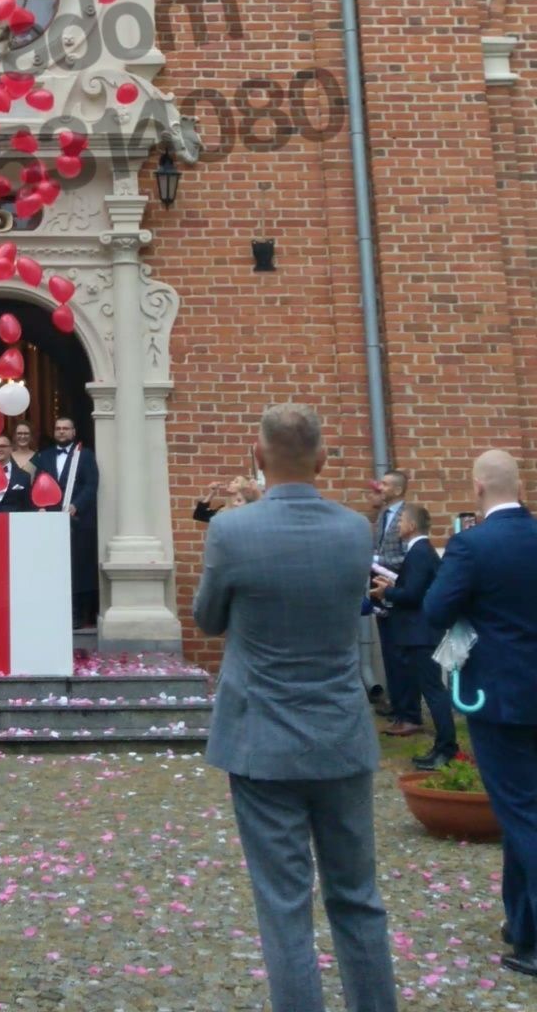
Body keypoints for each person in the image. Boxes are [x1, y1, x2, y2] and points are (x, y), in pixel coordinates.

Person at [193, 403, 398, 1012]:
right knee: (357, 896)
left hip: (261, 735)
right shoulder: (354, 529)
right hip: (339, 730)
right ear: (324, 458)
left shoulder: (232, 530)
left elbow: (206, 619)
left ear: (258, 457)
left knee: (284, 907)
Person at [424, 449, 537, 979]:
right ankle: (522, 924)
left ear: (476, 488)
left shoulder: (472, 544)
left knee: (522, 813)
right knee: (523, 814)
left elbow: (436, 609)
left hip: (500, 697)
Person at [370, 503, 457, 768]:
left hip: (421, 633)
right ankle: (443, 746)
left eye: (400, 522)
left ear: (411, 525)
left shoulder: (419, 552)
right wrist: (394, 586)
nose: (397, 527)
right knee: (431, 689)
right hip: (419, 632)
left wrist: (387, 593)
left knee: (433, 691)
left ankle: (446, 747)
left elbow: (413, 595)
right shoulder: (420, 552)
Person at [34, 416, 99, 625]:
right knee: (53, 566)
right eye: (58, 428)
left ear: (73, 432)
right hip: (50, 521)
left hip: (77, 520)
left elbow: (91, 485)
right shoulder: (43, 456)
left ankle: (78, 614)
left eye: (65, 429)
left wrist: (76, 505)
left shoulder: (86, 455)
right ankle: (53, 611)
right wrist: (40, 506)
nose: (61, 432)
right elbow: (36, 485)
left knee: (78, 566)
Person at [370, 469, 409, 720]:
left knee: (401, 654)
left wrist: (375, 560)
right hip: (380, 592)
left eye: (384, 484)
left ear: (397, 490)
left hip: (398, 591)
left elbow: (408, 554)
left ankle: (407, 709)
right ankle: (396, 705)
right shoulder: (383, 515)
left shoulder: (408, 515)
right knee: (389, 653)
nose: (379, 488)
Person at [0, 433, 33, 514]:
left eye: (2, 446)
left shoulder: (24, 476)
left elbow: (29, 507)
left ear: (11, 449)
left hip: (16, 524)